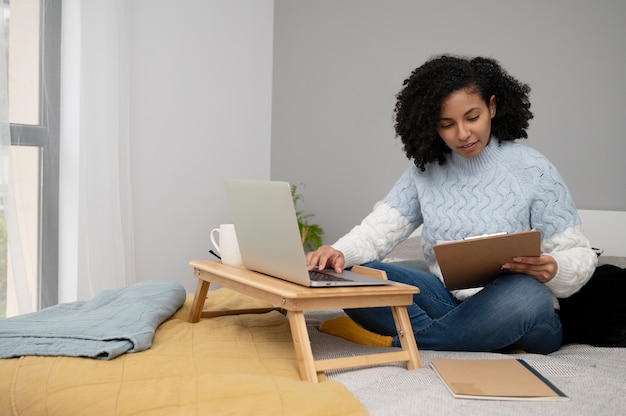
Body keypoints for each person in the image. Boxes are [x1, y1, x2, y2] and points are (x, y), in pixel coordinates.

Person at [305, 54, 597, 354]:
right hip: (447, 299)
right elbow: (376, 232)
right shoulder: (425, 172)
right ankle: (470, 336)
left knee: (525, 294)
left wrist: (554, 268)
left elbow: (579, 254)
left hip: (523, 311)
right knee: (353, 274)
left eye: (472, 118)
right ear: (433, 125)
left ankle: (398, 340)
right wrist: (337, 252)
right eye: (447, 124)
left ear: (492, 107)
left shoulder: (534, 170)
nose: (463, 134)